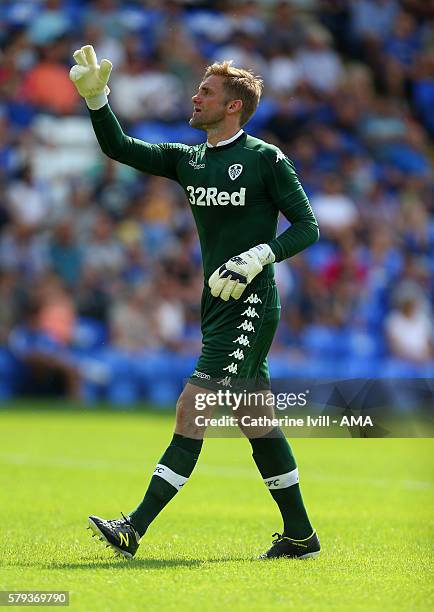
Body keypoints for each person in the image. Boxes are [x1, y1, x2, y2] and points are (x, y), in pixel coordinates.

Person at [70, 45, 320, 560]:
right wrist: (97, 101)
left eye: (206, 91)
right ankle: (302, 536)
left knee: (192, 407)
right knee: (258, 421)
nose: (195, 95)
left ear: (234, 106)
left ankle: (134, 527)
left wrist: (259, 257)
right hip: (216, 305)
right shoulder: (190, 158)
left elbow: (308, 227)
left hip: (250, 305)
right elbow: (119, 147)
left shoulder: (265, 159)